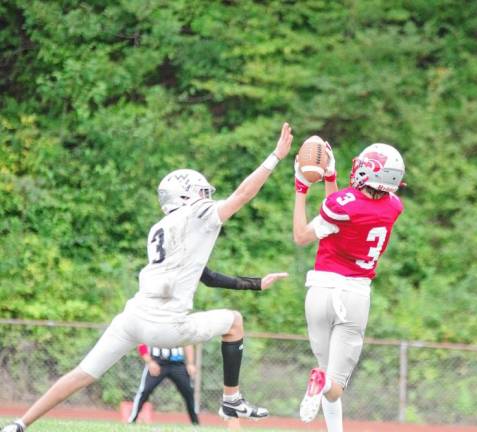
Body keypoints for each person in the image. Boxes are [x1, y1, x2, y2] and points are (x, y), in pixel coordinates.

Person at [1, 122, 294, 432]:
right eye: (199, 192)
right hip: (167, 325)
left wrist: (256, 283)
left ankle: (19, 424)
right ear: (184, 196)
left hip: (133, 317)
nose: (205, 197)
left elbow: (203, 275)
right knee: (234, 321)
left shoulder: (160, 228)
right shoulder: (196, 215)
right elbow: (243, 194)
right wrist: (275, 156)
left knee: (82, 373)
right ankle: (231, 398)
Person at [292, 138, 405, 432]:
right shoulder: (394, 206)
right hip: (355, 295)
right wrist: (331, 178)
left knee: (329, 376)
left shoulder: (343, 205)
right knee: (334, 383)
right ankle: (322, 382)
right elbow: (344, 208)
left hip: (321, 290)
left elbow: (302, 236)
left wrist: (301, 188)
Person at [129, 267, 288, 425]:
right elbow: (141, 337)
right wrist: (149, 361)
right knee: (144, 391)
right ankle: (132, 421)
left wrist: (256, 283)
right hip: (158, 359)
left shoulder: (188, 263)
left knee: (189, 394)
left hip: (177, 357)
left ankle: (198, 423)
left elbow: (209, 277)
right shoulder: (154, 291)